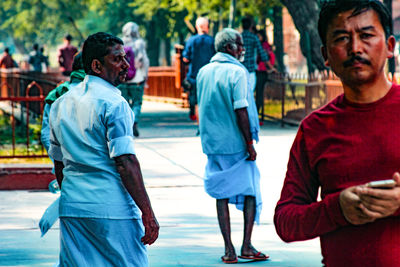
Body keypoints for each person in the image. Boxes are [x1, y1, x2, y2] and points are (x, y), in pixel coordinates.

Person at [274, 1, 400, 266]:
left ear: (389, 46)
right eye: (342, 38)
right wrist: (337, 210)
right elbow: (286, 222)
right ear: (326, 54)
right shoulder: (314, 129)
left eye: (366, 35)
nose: (355, 48)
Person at [48, 32, 159, 266]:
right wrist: (147, 213)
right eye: (117, 59)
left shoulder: (60, 104)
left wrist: (70, 196)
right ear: (97, 65)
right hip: (112, 208)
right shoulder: (115, 104)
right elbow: (125, 162)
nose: (126, 64)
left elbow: (60, 164)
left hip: (73, 207)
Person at [196, 28, 267, 264]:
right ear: (229, 48)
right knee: (249, 190)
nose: (242, 49)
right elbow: (241, 109)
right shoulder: (238, 72)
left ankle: (229, 250)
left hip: (212, 143)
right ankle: (246, 246)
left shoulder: (204, 72)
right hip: (236, 143)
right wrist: (249, 142)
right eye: (239, 44)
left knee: (221, 192)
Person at [182, 17, 215, 121]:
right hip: (209, 75)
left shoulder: (191, 41)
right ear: (208, 27)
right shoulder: (212, 41)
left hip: (194, 76)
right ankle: (206, 121)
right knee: (207, 100)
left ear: (197, 27)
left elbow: (185, 59)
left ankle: (196, 118)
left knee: (195, 99)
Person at [120, 22, 149, 137]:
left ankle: (127, 125)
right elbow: (144, 60)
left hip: (122, 79)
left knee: (125, 104)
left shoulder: (120, 42)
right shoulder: (139, 43)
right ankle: (134, 121)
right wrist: (145, 76)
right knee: (137, 103)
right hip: (137, 78)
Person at [241, 18, 276, 92]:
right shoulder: (254, 37)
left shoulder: (238, 37)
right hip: (250, 70)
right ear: (250, 27)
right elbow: (262, 54)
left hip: (240, 70)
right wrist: (271, 67)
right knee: (249, 94)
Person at [255, 29, 275, 115]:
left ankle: (257, 113)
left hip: (262, 71)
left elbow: (270, 57)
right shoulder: (258, 45)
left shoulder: (264, 46)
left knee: (259, 93)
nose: (257, 38)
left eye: (259, 36)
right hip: (258, 70)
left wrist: (271, 67)